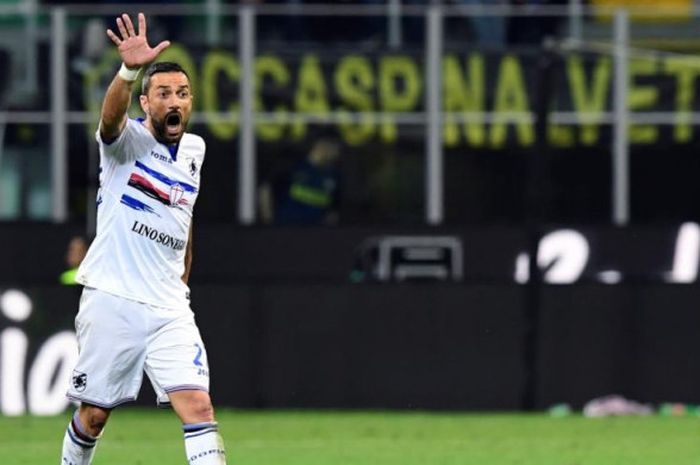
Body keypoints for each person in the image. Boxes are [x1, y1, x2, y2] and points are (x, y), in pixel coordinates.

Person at [60, 13, 227, 465]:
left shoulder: (195, 151)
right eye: (165, 94)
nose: (175, 101)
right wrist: (128, 72)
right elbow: (110, 117)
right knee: (93, 415)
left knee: (198, 406)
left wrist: (182, 281)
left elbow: (183, 218)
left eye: (183, 94)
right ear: (147, 103)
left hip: (170, 306)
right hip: (114, 298)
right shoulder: (124, 144)